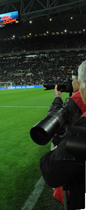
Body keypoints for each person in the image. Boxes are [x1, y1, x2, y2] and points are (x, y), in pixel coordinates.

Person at [40, 63, 86, 210]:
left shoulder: (81, 133)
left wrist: (57, 148)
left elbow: (50, 171)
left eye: (74, 79)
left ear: (83, 88)